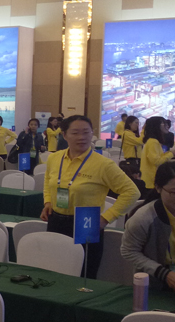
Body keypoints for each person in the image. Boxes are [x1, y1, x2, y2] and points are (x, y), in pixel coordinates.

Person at [41, 115, 140, 279]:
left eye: (86, 132)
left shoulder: (103, 164)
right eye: (75, 133)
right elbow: (48, 180)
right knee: (55, 272)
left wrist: (106, 218)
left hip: (86, 223)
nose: (81, 137)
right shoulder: (54, 158)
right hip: (55, 221)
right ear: (64, 135)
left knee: (84, 276)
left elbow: (132, 192)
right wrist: (48, 201)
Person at [121, 162, 175, 292]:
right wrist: (163, 273)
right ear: (158, 188)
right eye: (174, 192)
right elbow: (128, 251)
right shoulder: (143, 219)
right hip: (155, 284)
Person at [141, 116, 174, 202]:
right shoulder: (153, 141)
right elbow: (157, 161)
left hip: (151, 180)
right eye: (163, 123)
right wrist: (172, 153)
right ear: (156, 126)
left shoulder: (153, 141)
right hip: (152, 180)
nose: (166, 126)